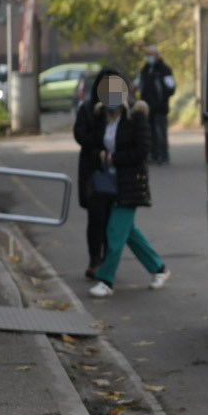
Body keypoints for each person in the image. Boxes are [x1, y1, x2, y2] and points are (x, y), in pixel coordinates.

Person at [88, 89, 170, 298]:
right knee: (129, 233)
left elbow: (143, 150)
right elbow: (94, 144)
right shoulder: (103, 118)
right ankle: (159, 268)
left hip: (130, 183)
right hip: (109, 183)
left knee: (115, 233)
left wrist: (115, 158)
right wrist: (99, 154)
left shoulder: (136, 117)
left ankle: (106, 281)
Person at [74, 67, 126, 280]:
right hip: (93, 172)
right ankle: (95, 259)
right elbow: (80, 135)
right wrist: (98, 149)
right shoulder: (88, 109)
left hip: (116, 172)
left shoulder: (121, 111)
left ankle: (108, 261)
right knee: (96, 219)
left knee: (113, 221)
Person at [137, 45, 176, 165]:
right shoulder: (145, 70)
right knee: (149, 133)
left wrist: (161, 100)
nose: (149, 57)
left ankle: (163, 155)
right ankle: (153, 155)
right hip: (147, 109)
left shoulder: (164, 70)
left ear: (157, 55)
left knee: (160, 132)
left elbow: (171, 87)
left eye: (151, 54)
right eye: (147, 54)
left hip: (160, 108)